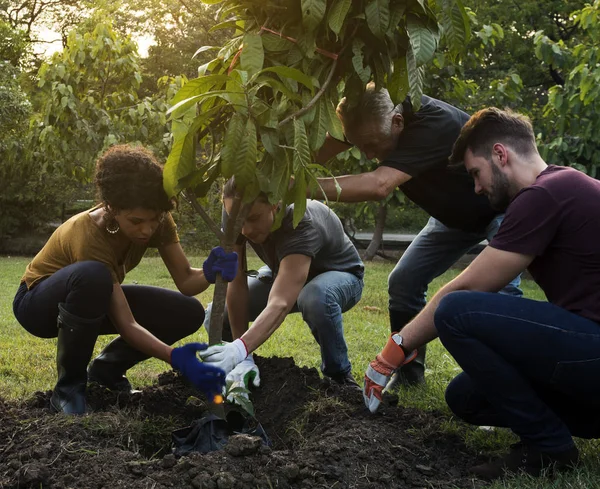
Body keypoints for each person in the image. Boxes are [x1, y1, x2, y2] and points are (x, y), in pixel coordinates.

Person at [363, 107, 600, 479]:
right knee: (466, 397)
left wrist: (393, 350)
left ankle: (549, 448)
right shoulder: (561, 186)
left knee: (457, 311)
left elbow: (471, 286)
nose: (476, 188)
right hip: (588, 354)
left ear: (501, 155)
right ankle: (558, 429)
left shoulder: (545, 194)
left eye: (476, 173)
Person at [311, 83, 522, 386]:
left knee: (502, 292)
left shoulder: (432, 122)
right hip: (453, 218)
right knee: (404, 281)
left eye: (372, 144)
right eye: (360, 146)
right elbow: (323, 149)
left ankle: (506, 382)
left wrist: (302, 187)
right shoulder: (372, 116)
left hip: (499, 208)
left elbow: (379, 184)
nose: (370, 154)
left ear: (398, 122)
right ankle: (409, 372)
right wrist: (278, 174)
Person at [12, 145, 237, 415]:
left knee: (187, 312)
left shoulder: (157, 219)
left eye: (154, 220)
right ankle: (68, 389)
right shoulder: (88, 234)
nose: (147, 229)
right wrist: (177, 358)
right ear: (112, 208)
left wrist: (210, 271)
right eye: (136, 221)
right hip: (38, 305)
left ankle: (107, 371)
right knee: (93, 275)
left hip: (94, 299)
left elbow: (187, 282)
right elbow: (127, 324)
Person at [199, 178, 365, 391]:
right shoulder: (236, 213)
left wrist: (240, 347)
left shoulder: (301, 220)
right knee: (218, 312)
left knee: (315, 296)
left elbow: (280, 301)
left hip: (339, 275)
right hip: (283, 271)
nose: (245, 230)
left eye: (254, 218)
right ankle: (238, 374)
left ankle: (340, 378)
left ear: (275, 206)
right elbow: (236, 282)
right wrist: (244, 357)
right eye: (238, 221)